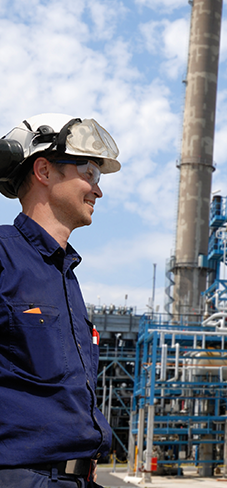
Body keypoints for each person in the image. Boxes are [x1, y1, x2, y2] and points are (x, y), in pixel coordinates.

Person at [0, 114, 120, 487]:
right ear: (44, 170)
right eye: (90, 173)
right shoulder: (5, 258)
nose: (97, 190)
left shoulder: (65, 276)